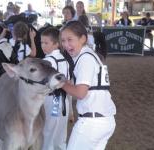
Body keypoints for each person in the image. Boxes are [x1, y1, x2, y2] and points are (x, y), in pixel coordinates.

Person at [60, 21, 116, 150]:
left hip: (91, 124)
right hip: (105, 121)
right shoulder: (91, 55)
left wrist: (61, 84)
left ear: (83, 39)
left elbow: (80, 93)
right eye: (63, 41)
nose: (66, 45)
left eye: (70, 40)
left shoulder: (85, 58)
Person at [41, 27, 72, 150]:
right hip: (63, 101)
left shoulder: (47, 61)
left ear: (56, 44)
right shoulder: (65, 60)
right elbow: (68, 82)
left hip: (53, 101)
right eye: (41, 42)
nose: (43, 46)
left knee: (48, 132)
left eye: (46, 43)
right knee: (60, 134)